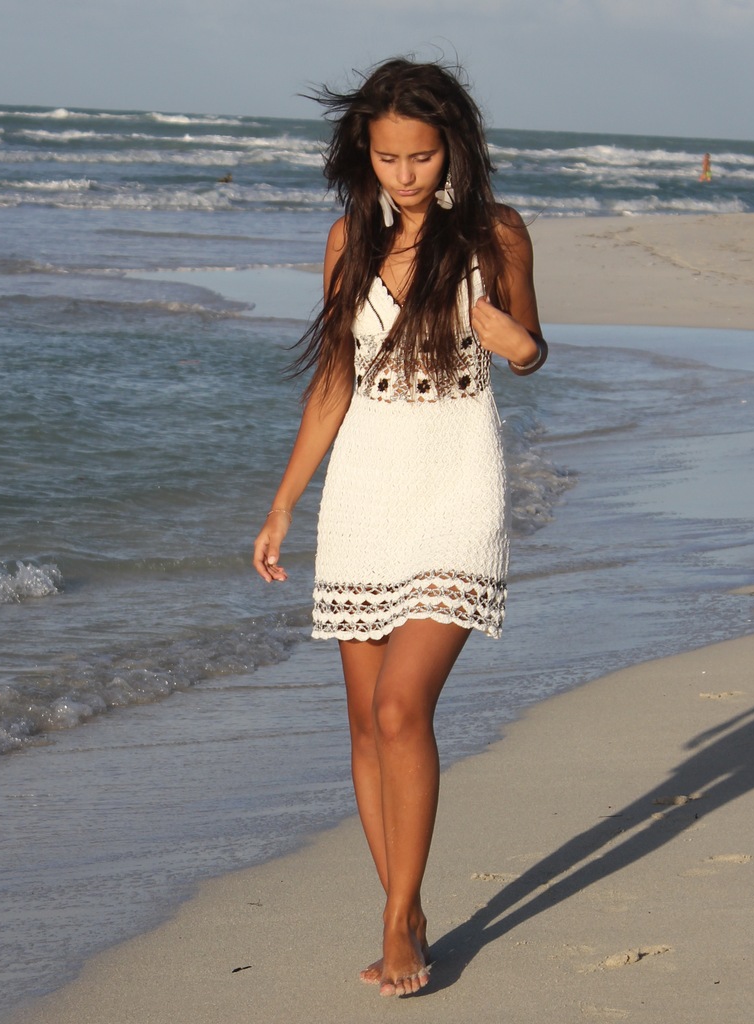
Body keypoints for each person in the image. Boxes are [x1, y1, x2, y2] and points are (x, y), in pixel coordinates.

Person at [252, 58, 548, 998]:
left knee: (398, 708)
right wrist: (285, 502)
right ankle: (405, 906)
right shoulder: (349, 240)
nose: (406, 174)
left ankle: (396, 920)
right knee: (362, 721)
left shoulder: (497, 233)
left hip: (458, 484)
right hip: (366, 493)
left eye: (421, 156)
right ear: (365, 154)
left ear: (451, 147)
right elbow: (334, 381)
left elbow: (530, 345)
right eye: (388, 158)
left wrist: (523, 347)